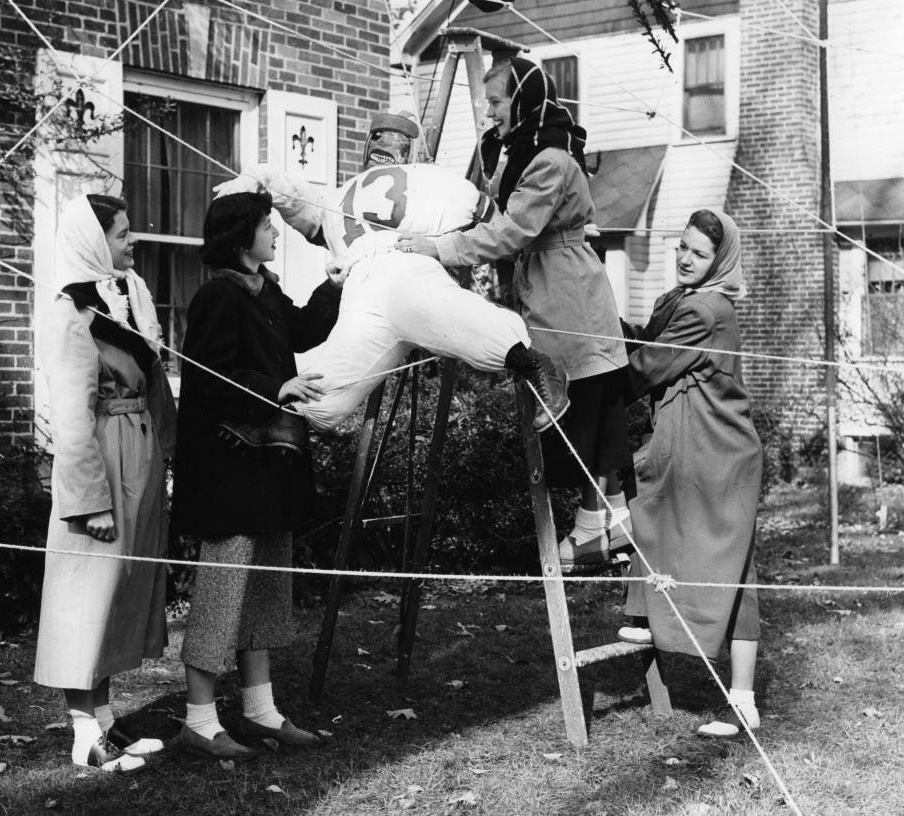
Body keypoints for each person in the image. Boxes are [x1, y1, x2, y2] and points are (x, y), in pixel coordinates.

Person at [396, 59, 633, 570]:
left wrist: (438, 249)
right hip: (551, 281)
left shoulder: (548, 161)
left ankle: (598, 523)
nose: (491, 113)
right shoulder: (531, 152)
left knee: (583, 402)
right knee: (590, 402)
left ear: (524, 103)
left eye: (498, 103)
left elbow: (511, 231)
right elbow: (501, 215)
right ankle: (607, 518)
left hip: (566, 291)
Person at [211, 110, 569, 438]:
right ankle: (538, 367)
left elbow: (290, 194)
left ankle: (273, 440)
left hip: (367, 286)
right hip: (404, 274)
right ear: (410, 152)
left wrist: (255, 177)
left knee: (319, 396)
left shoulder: (336, 196)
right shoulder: (438, 178)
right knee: (476, 326)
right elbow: (498, 224)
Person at [170, 191, 344, 760]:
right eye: (268, 226)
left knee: (266, 587)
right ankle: (199, 719)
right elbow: (210, 379)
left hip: (269, 465)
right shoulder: (217, 296)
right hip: (228, 471)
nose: (276, 233)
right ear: (241, 237)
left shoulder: (263, 287)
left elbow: (300, 332)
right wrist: (277, 389)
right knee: (224, 589)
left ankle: (260, 712)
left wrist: (333, 286)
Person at [34, 194, 177, 772]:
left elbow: (155, 383)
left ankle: (108, 721)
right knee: (86, 594)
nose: (132, 242)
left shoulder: (125, 298)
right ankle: (83, 735)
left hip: (138, 455)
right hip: (100, 459)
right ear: (95, 242)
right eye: (122, 234)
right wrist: (87, 501)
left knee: (120, 591)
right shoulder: (70, 312)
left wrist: (168, 454)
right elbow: (71, 418)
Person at [618, 208, 763, 739]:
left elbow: (644, 370)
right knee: (735, 569)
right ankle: (645, 616)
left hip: (716, 453)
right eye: (681, 246)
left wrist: (591, 368)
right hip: (708, 446)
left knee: (730, 568)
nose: (685, 258)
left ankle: (644, 614)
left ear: (719, 261)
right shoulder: (685, 302)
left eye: (699, 253)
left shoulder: (705, 309)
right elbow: (650, 345)